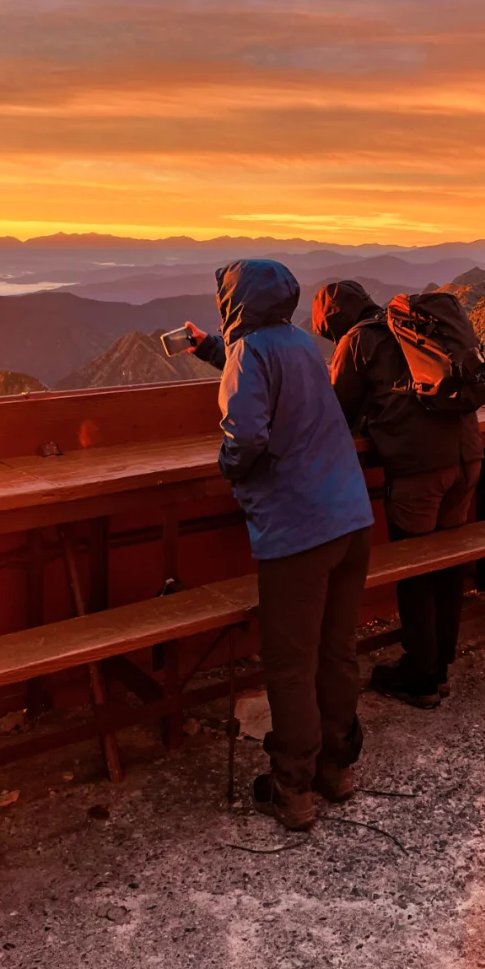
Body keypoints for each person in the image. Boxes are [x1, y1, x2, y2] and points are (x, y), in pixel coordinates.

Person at [185, 260, 373, 831]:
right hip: (351, 518)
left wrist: (231, 468)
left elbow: (246, 434)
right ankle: (336, 769)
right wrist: (211, 349)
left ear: (233, 302)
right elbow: (265, 369)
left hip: (299, 529)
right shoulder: (299, 343)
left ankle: (292, 788)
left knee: (291, 663)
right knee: (336, 649)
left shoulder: (250, 352)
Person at [311, 281, 483, 709]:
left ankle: (420, 676)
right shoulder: (410, 327)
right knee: (447, 562)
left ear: (330, 322)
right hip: (468, 456)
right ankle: (440, 665)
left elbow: (337, 414)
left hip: (420, 470)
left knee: (416, 567)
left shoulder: (356, 342)